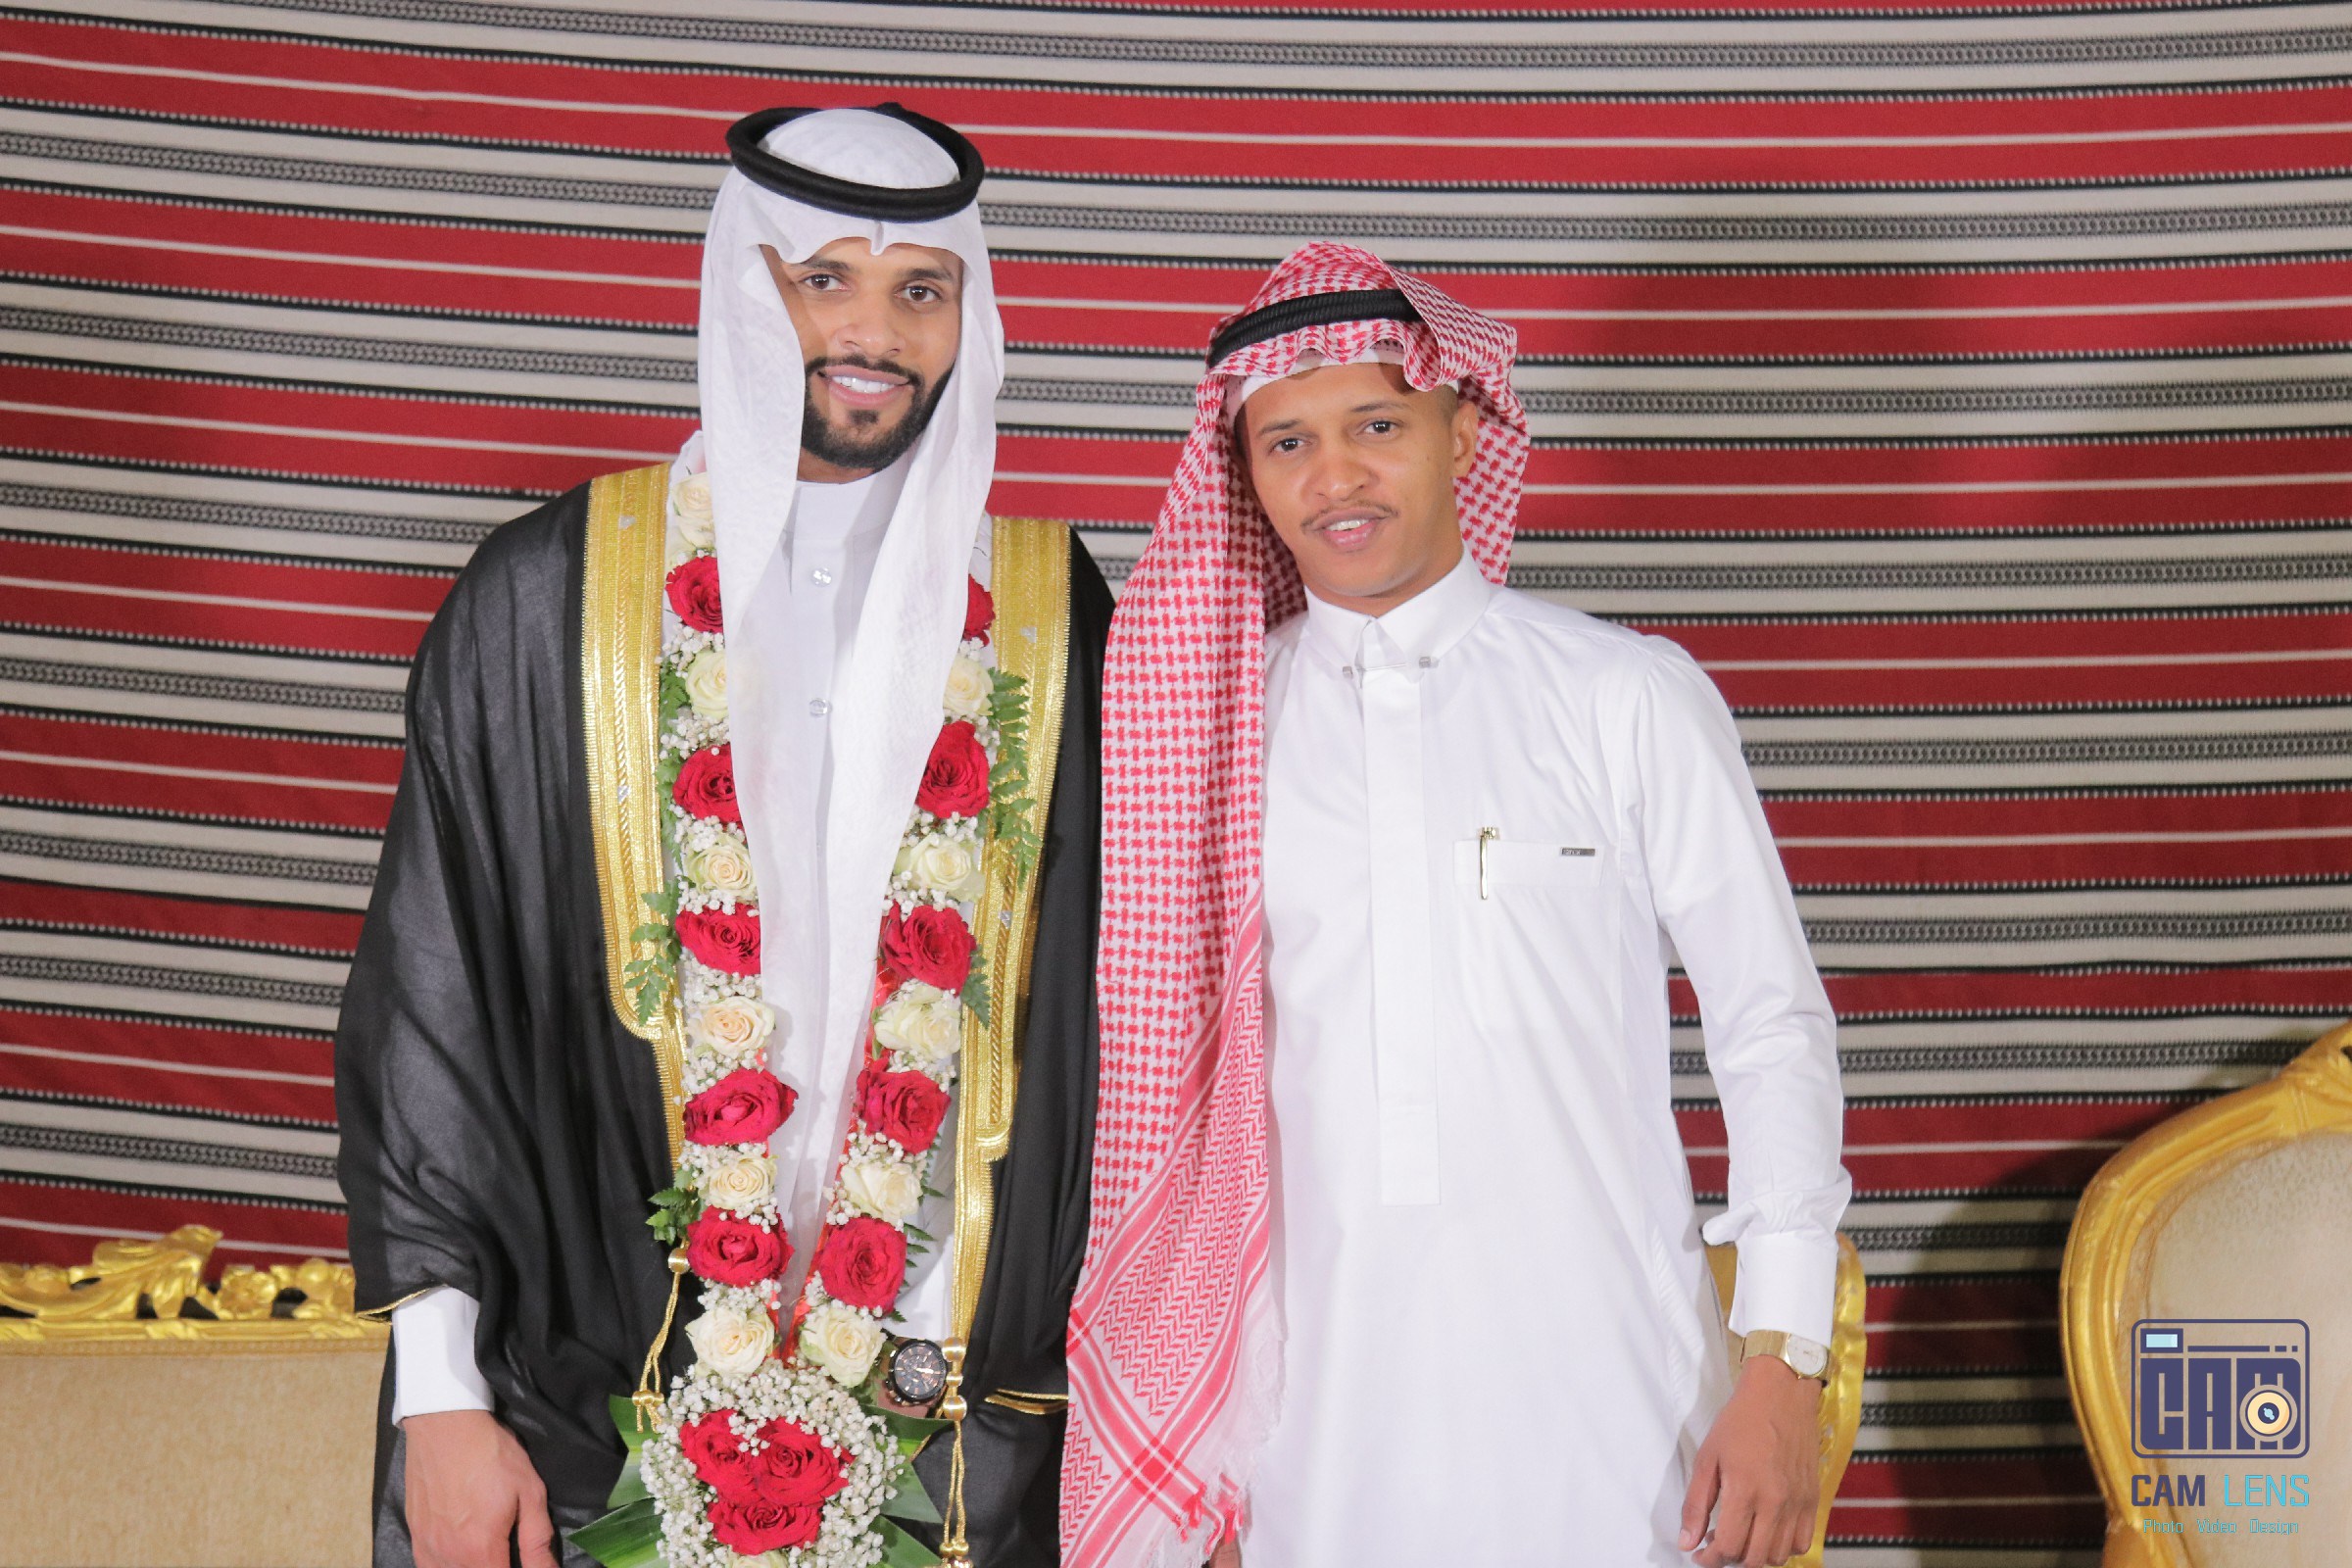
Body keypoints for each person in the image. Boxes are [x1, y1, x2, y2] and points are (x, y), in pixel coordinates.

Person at [336, 105, 1109, 1568]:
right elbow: (431, 1015)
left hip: (953, 1446)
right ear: (742, 289)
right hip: (588, 1415)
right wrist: (438, 1399)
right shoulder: (544, 601)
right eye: (823, 280)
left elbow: (1117, 1037)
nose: (873, 331)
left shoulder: (1050, 617)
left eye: (921, 290)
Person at [1063, 244, 1851, 1568]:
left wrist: (1784, 1359)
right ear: (1244, 473)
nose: (1336, 477)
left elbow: (1771, 1029)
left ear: (1465, 428)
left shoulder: (1623, 694)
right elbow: (1159, 1121)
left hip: (1617, 1403)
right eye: (1288, 443)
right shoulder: (1201, 733)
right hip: (1306, 1434)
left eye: (1377, 426)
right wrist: (1194, 1468)